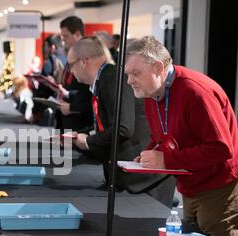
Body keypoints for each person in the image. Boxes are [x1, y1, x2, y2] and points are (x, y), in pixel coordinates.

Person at [125, 36, 238, 236]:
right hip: (190, 186)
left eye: (135, 73)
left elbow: (221, 148)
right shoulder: (153, 93)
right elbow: (163, 136)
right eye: (128, 74)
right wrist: (149, 154)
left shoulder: (196, 92)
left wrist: (167, 160)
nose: (130, 80)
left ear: (158, 68)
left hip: (219, 186)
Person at [68, 37, 175, 207]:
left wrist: (88, 141)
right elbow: (110, 123)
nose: (70, 72)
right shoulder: (106, 79)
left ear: (83, 62)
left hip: (145, 178)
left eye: (70, 65)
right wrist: (85, 134)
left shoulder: (111, 78)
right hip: (135, 175)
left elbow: (123, 127)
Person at [57, 16, 94, 131]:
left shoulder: (88, 56)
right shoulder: (73, 54)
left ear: (77, 34)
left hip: (82, 124)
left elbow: (91, 95)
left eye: (66, 36)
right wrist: (66, 93)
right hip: (68, 120)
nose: (63, 41)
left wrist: (72, 107)